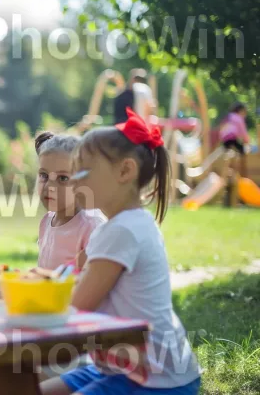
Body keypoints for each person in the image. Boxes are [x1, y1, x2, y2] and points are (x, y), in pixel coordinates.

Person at [40, 107, 201, 395]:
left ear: (125, 171)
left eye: (83, 171)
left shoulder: (123, 231)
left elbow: (77, 305)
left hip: (156, 378)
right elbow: (74, 281)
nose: (73, 181)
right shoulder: (114, 227)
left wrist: (17, 303)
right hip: (121, 368)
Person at [0, 132, 105, 302]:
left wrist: (9, 294)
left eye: (63, 178)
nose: (50, 186)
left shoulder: (91, 226)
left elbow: (83, 292)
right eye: (44, 175)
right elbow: (46, 280)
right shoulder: (47, 221)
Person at [219, 102, 249, 177]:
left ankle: (229, 170)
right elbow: (243, 131)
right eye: (244, 112)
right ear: (240, 111)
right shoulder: (238, 118)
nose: (245, 114)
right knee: (242, 151)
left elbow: (221, 128)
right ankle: (241, 171)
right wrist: (247, 140)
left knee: (228, 154)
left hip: (225, 140)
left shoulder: (229, 116)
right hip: (232, 138)